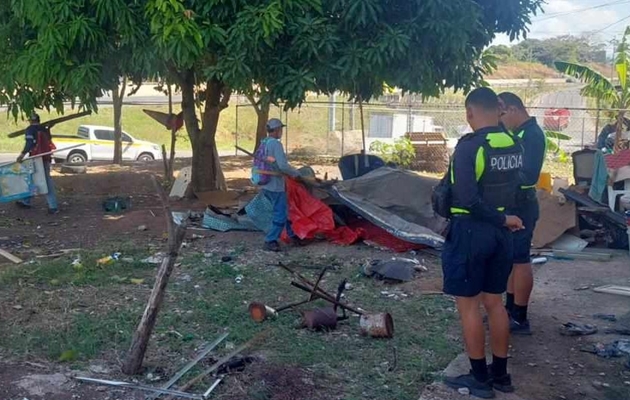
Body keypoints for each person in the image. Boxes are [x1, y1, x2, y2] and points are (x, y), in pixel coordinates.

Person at [442, 87, 524, 398]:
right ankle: (501, 375)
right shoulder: (512, 143)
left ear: (470, 113)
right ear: (499, 109)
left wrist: (500, 220)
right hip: (502, 234)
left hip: (471, 232)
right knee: (495, 303)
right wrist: (504, 219)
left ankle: (478, 378)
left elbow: (467, 198)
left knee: (469, 307)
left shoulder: (470, 146)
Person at [498, 92, 546, 336]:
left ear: (514, 109)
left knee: (520, 259)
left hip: (522, 206)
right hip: (512, 205)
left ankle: (520, 315)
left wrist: (500, 179)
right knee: (510, 260)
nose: (500, 119)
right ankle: (509, 309)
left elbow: (528, 175)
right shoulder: (518, 134)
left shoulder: (532, 135)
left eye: (502, 113)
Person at [258, 118, 302, 252]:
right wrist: (296, 173)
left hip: (265, 182)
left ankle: (292, 235)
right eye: (280, 130)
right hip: (275, 185)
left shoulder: (264, 142)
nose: (281, 132)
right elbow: (282, 165)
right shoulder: (276, 144)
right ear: (276, 130)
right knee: (281, 213)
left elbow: (269, 161)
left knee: (285, 210)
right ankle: (270, 241)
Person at [16, 113, 59, 214]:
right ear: (39, 120)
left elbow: (29, 143)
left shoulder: (30, 129)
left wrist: (22, 155)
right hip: (46, 157)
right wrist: (49, 128)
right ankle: (25, 200)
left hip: (36, 158)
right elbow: (49, 141)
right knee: (32, 179)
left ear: (30, 121)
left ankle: (53, 206)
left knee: (45, 181)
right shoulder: (44, 128)